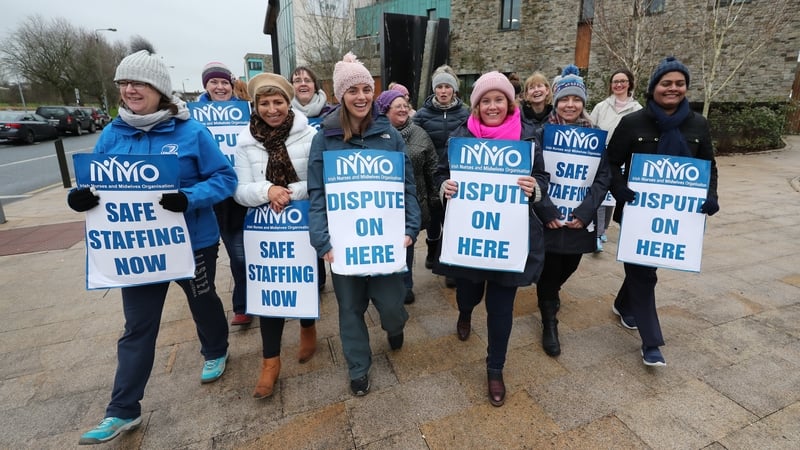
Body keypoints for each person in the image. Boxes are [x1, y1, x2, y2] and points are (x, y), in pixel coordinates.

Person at [69, 47, 236, 445]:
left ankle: (216, 348)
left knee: (202, 299)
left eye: (138, 82)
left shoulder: (192, 132)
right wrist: (80, 197)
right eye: (123, 83)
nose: (129, 89)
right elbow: (94, 182)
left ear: (159, 89)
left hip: (192, 243)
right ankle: (122, 410)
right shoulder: (112, 133)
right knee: (137, 327)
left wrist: (190, 197)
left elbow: (224, 178)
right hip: (138, 251)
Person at [307, 52, 421, 396]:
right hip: (344, 246)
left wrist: (410, 228)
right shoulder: (323, 138)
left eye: (366, 89)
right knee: (350, 310)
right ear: (341, 95)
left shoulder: (390, 135)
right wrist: (321, 240)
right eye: (352, 89)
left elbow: (407, 187)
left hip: (385, 243)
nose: (361, 96)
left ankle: (394, 327)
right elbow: (317, 193)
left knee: (392, 307)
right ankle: (358, 368)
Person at [435, 71, 547, 407]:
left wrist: (535, 188)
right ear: (477, 105)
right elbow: (442, 173)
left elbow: (541, 177)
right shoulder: (460, 136)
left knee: (501, 308)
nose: (493, 105)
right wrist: (445, 187)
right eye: (486, 100)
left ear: (510, 103)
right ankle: (466, 312)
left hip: (508, 240)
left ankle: (495, 368)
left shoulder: (528, 137)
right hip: (470, 240)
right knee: (468, 293)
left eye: (499, 99)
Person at [606, 56, 719, 367]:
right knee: (644, 275)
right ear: (654, 87)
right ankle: (651, 342)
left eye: (679, 83)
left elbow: (709, 166)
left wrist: (711, 196)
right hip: (637, 213)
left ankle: (622, 303)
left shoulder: (698, 124)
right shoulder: (632, 123)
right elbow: (611, 162)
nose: (673, 88)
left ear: (686, 88)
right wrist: (619, 188)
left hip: (676, 218)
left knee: (647, 267)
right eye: (666, 83)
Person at [233, 73, 319, 398]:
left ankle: (308, 328)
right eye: (265, 103)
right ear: (255, 107)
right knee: (270, 293)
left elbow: (317, 179)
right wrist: (266, 190)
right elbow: (239, 191)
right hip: (264, 229)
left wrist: (288, 192)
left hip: (303, 222)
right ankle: (270, 362)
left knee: (305, 279)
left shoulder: (309, 136)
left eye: (278, 102)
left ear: (288, 102)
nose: (272, 109)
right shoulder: (244, 143)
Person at [533, 65, 612, 358]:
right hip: (550, 217)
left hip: (580, 218)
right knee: (552, 269)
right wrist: (546, 210)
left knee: (570, 266)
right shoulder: (542, 134)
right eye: (564, 99)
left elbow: (603, 176)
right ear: (556, 101)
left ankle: (549, 294)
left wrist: (586, 211)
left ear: (583, 102)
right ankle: (549, 317)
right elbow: (533, 172)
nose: (570, 105)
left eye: (576, 99)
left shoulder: (595, 136)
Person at [196, 61, 252, 326]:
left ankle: (242, 305)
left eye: (224, 83)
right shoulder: (193, 118)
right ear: (205, 86)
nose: (219, 87)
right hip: (205, 198)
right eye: (213, 82)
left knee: (239, 254)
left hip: (236, 197)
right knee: (204, 263)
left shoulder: (245, 112)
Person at [375, 89, 438, 305]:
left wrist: (433, 199)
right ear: (384, 111)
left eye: (405, 105)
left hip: (412, 200)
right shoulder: (373, 135)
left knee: (407, 243)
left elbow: (432, 168)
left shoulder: (420, 134)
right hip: (381, 205)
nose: (403, 109)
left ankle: (406, 284)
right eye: (397, 106)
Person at [412, 65, 469, 287]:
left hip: (456, 175)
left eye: (447, 87)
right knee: (434, 216)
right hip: (430, 173)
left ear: (454, 90)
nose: (443, 91)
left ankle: (450, 263)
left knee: (454, 219)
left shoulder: (464, 113)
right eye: (439, 87)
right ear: (434, 90)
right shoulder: (423, 115)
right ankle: (432, 249)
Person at [589, 68, 643, 252]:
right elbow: (592, 129)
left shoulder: (637, 109)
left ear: (630, 83)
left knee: (613, 197)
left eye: (623, 81)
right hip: (603, 157)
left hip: (625, 160)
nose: (619, 84)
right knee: (600, 195)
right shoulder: (601, 106)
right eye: (615, 81)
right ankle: (596, 233)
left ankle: (604, 229)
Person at [290, 66, 333, 291]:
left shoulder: (331, 113)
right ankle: (315, 281)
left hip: (330, 184)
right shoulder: (283, 115)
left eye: (307, 79)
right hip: (298, 185)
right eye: (297, 80)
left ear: (316, 85)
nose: (303, 83)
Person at [520, 71, 554, 137]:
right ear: (527, 94)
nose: (536, 90)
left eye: (539, 86)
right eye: (531, 88)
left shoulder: (555, 115)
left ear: (547, 90)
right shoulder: (520, 115)